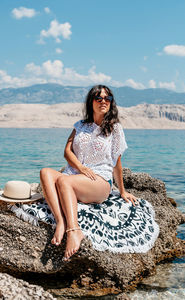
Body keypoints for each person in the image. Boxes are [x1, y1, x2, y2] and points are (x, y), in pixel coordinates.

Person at [40, 85, 138, 261]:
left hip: (99, 181)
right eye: (98, 98)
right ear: (91, 101)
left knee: (64, 182)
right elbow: (67, 152)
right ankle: (61, 222)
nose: (103, 101)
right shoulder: (80, 126)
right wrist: (81, 167)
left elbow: (117, 163)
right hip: (76, 175)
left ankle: (74, 230)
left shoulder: (115, 129)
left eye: (107, 99)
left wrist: (122, 191)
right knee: (45, 172)